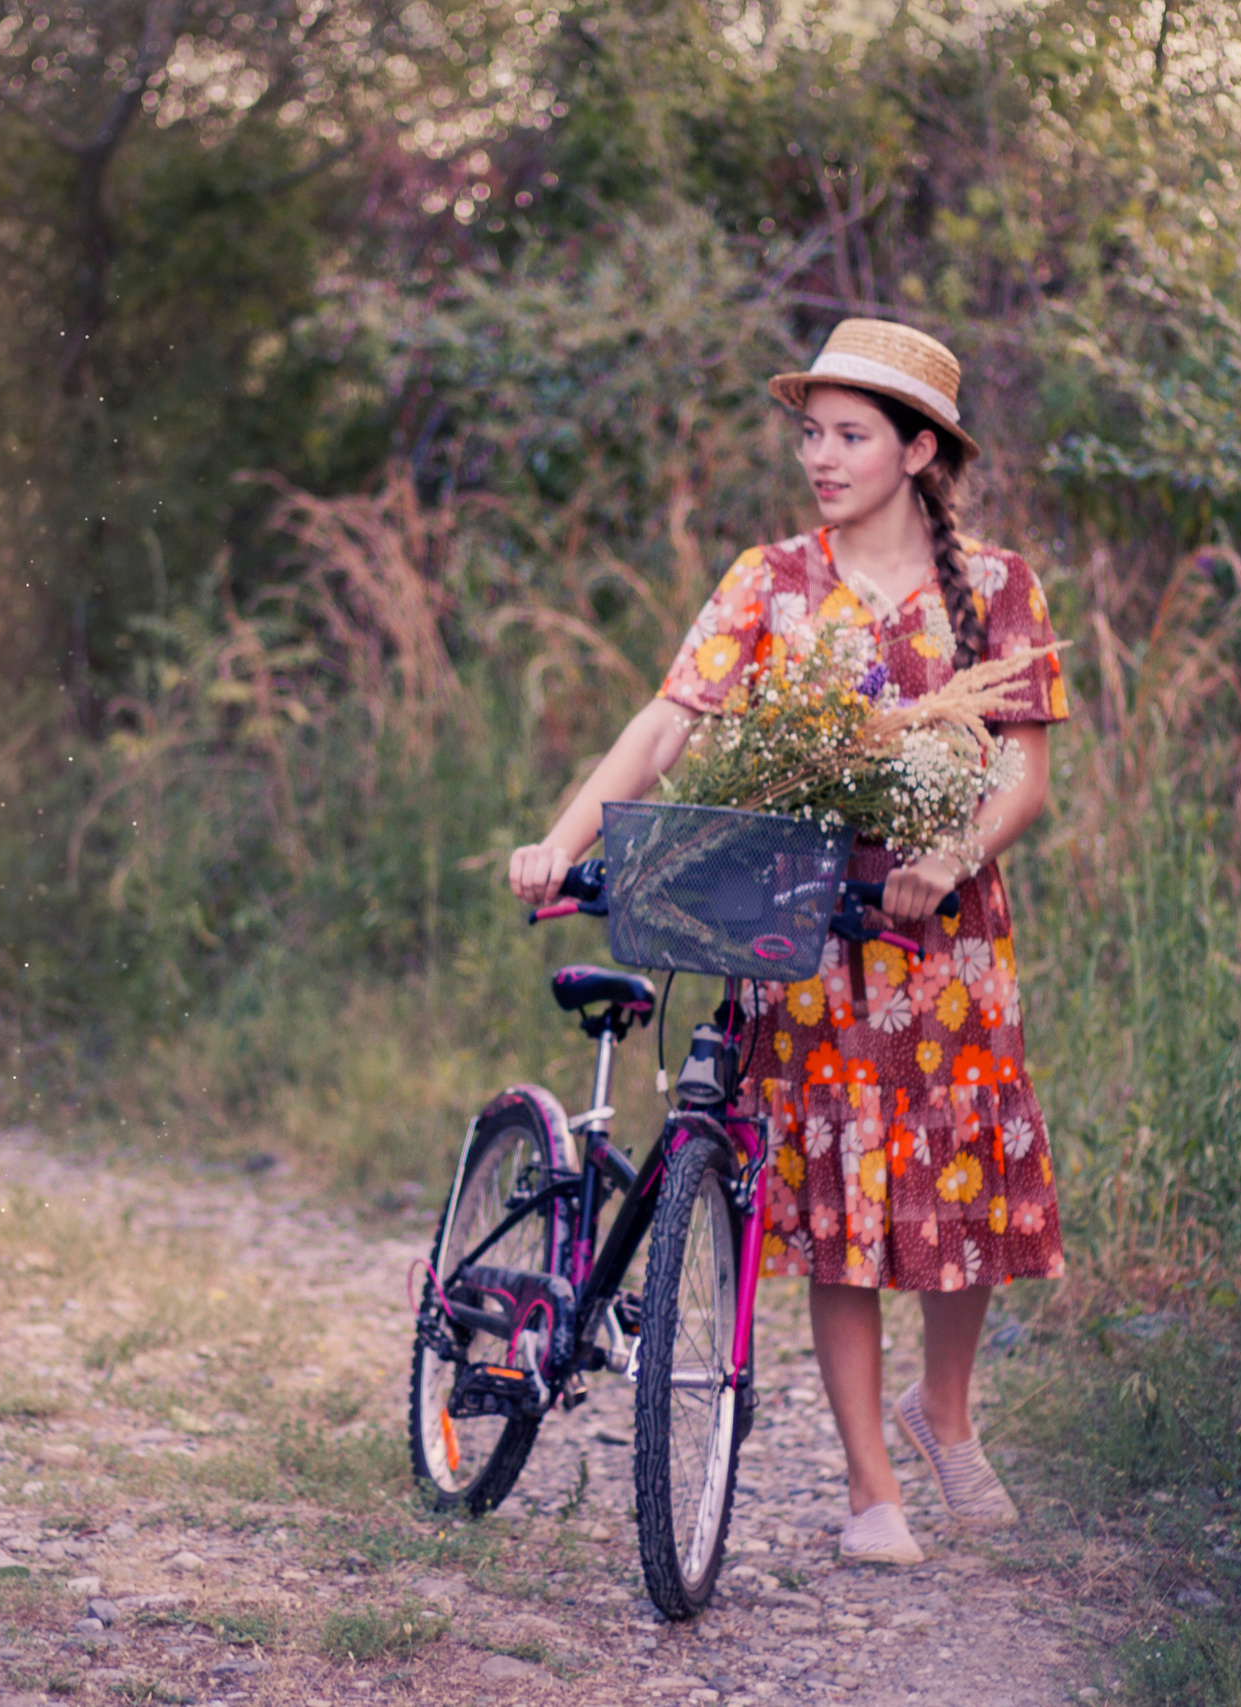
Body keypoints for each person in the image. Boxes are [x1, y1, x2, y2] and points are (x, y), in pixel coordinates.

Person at [506, 319, 1069, 1565]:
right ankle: (872, 1492)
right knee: (843, 1208)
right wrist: (559, 836)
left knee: (965, 1187)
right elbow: (669, 721)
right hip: (806, 928)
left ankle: (944, 1412)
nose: (821, 456)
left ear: (918, 451)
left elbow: (1023, 775)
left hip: (948, 936)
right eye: (811, 432)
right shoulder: (771, 579)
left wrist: (947, 858)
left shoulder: (996, 589)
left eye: (851, 435)